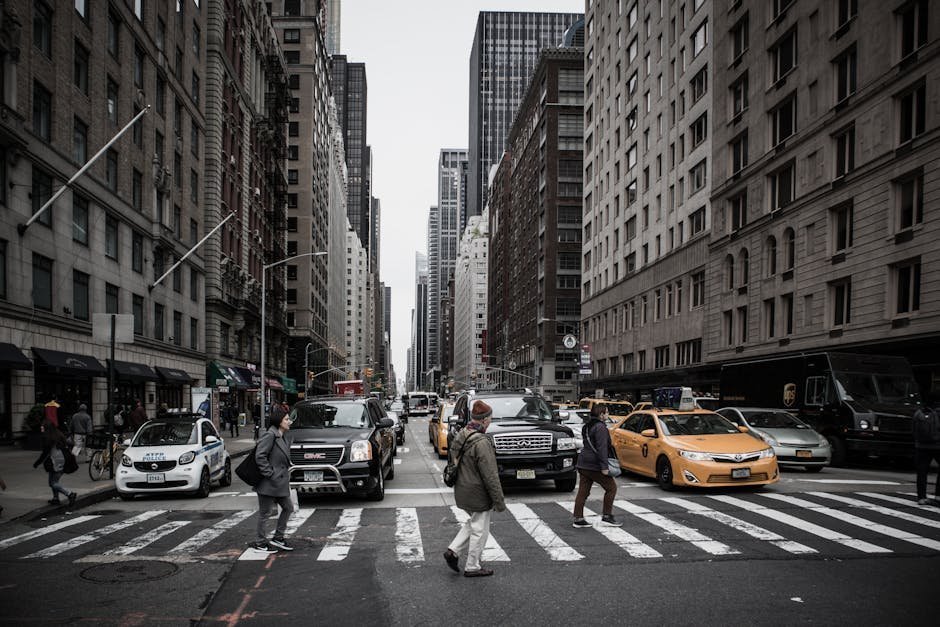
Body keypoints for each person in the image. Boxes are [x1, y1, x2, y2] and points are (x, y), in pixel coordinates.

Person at [444, 400, 505, 578]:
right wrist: (499, 501)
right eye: (490, 418)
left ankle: (453, 551)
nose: (491, 421)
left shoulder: (463, 433)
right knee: (480, 530)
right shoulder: (482, 442)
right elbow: (490, 475)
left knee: (474, 523)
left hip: (462, 488)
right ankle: (472, 566)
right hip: (477, 491)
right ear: (484, 420)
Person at [251, 410, 295, 553]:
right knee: (265, 513)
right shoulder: (270, 435)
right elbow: (260, 455)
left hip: (279, 482)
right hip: (269, 482)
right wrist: (269, 473)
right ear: (279, 421)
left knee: (288, 507)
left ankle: (278, 537)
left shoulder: (283, 436)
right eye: (286, 419)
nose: (289, 422)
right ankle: (260, 542)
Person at [572, 403, 621, 528]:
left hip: (583, 462)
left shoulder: (586, 426)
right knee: (611, 488)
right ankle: (607, 516)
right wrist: (604, 467)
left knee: (583, 492)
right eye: (607, 412)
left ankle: (578, 518)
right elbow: (602, 448)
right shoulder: (600, 427)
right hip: (594, 464)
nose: (608, 414)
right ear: (601, 414)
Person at [32, 421, 77, 507]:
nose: (41, 427)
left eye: (42, 426)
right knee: (53, 481)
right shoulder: (57, 434)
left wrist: (37, 463)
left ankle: (70, 494)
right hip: (60, 460)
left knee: (53, 483)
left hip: (55, 461)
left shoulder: (48, 438)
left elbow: (45, 453)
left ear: (47, 428)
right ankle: (55, 498)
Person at [913, 396, 940, 505]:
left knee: (922, 472)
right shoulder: (938, 413)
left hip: (921, 446)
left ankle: (921, 497)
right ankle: (938, 495)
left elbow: (913, 430)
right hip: (937, 446)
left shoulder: (918, 413)